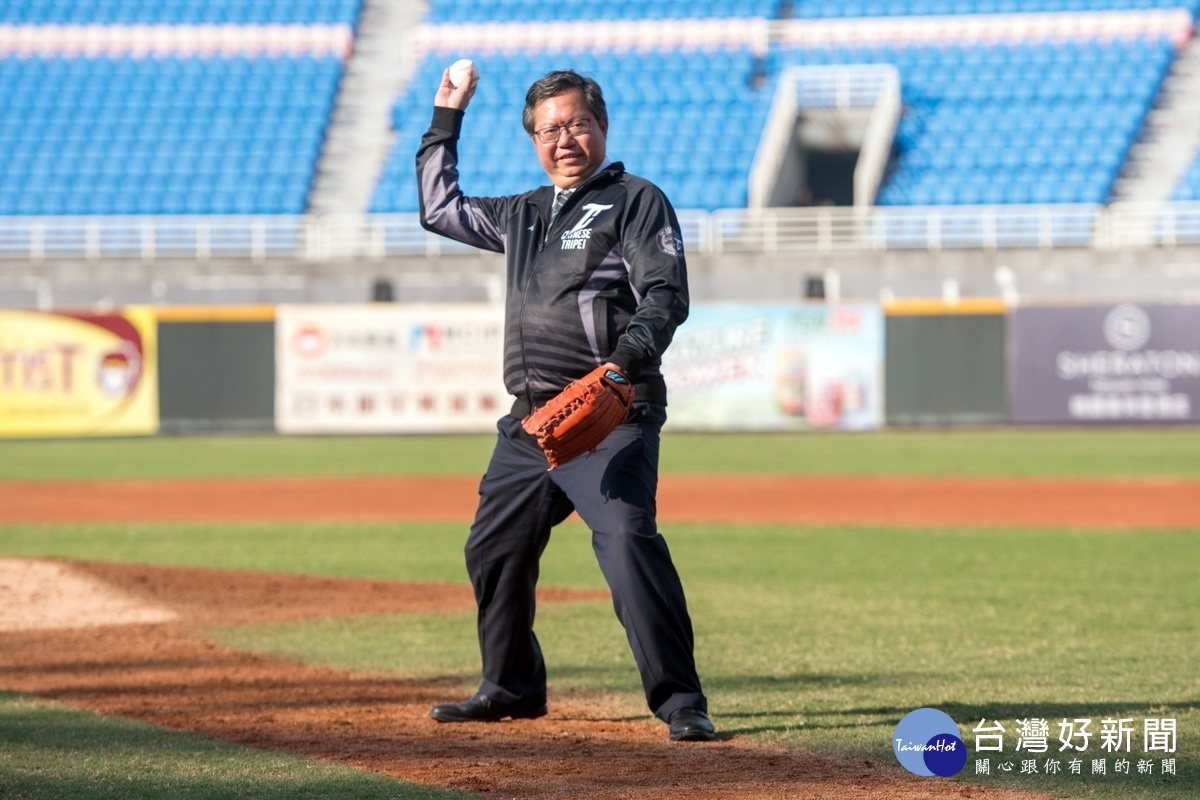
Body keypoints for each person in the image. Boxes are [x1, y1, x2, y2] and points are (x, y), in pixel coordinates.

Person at [416, 67, 715, 742]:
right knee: (493, 548)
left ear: (602, 127)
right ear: (533, 140)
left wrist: (620, 369)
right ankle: (511, 686)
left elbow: (666, 297)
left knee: (628, 541)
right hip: (532, 422)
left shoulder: (635, 202)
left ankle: (680, 701)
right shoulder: (521, 214)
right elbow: (438, 209)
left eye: (578, 123)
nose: (565, 138)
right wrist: (446, 111)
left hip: (609, 415)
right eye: (549, 129)